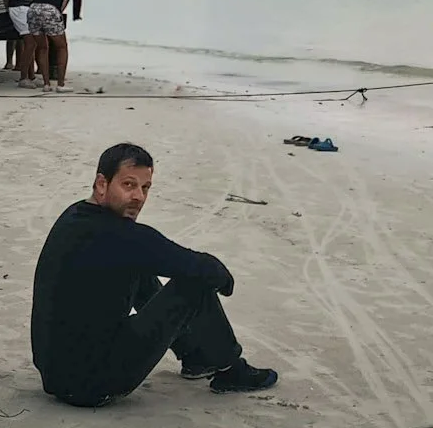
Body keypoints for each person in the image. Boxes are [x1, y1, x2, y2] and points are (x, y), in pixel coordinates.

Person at [30, 143, 277, 406]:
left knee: (142, 268)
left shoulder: (74, 217)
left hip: (56, 376)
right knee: (194, 282)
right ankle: (231, 368)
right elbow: (211, 272)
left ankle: (195, 358)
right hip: (95, 383)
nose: (138, 196)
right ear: (102, 184)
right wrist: (222, 283)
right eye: (128, 185)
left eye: (145, 188)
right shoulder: (123, 237)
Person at [27, 0, 76, 91]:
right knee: (62, 47)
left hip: (34, 8)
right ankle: (60, 84)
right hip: (50, 9)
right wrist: (59, 12)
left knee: (42, 47)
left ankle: (46, 84)